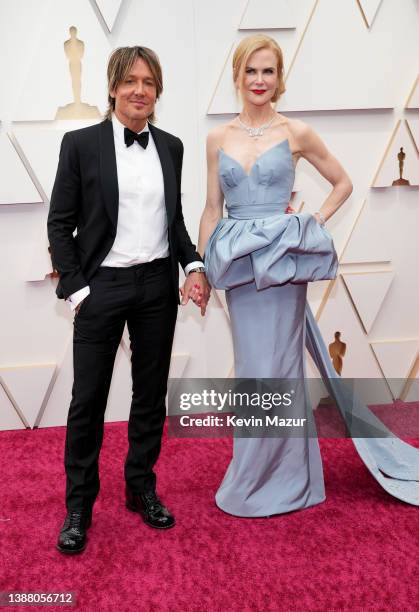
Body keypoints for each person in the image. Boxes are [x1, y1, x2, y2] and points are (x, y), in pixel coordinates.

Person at [199, 34, 419, 516]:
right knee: (256, 371)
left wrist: (310, 223)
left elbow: (343, 182)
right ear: (237, 75)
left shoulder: (296, 132)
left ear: (279, 80)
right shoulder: (218, 138)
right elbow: (212, 208)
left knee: (278, 368)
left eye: (268, 71)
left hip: (282, 267)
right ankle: (260, 473)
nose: (259, 80)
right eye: (251, 70)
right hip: (240, 272)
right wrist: (201, 269)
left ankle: (281, 477)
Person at [48, 45, 210, 554]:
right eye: (130, 81)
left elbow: (175, 221)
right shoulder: (80, 144)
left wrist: (195, 265)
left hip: (156, 289)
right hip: (103, 288)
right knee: (87, 401)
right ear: (113, 86)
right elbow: (60, 223)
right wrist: (78, 291)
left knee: (148, 395)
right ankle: (79, 506)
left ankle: (141, 488)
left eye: (149, 82)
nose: (140, 90)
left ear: (157, 90)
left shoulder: (172, 147)